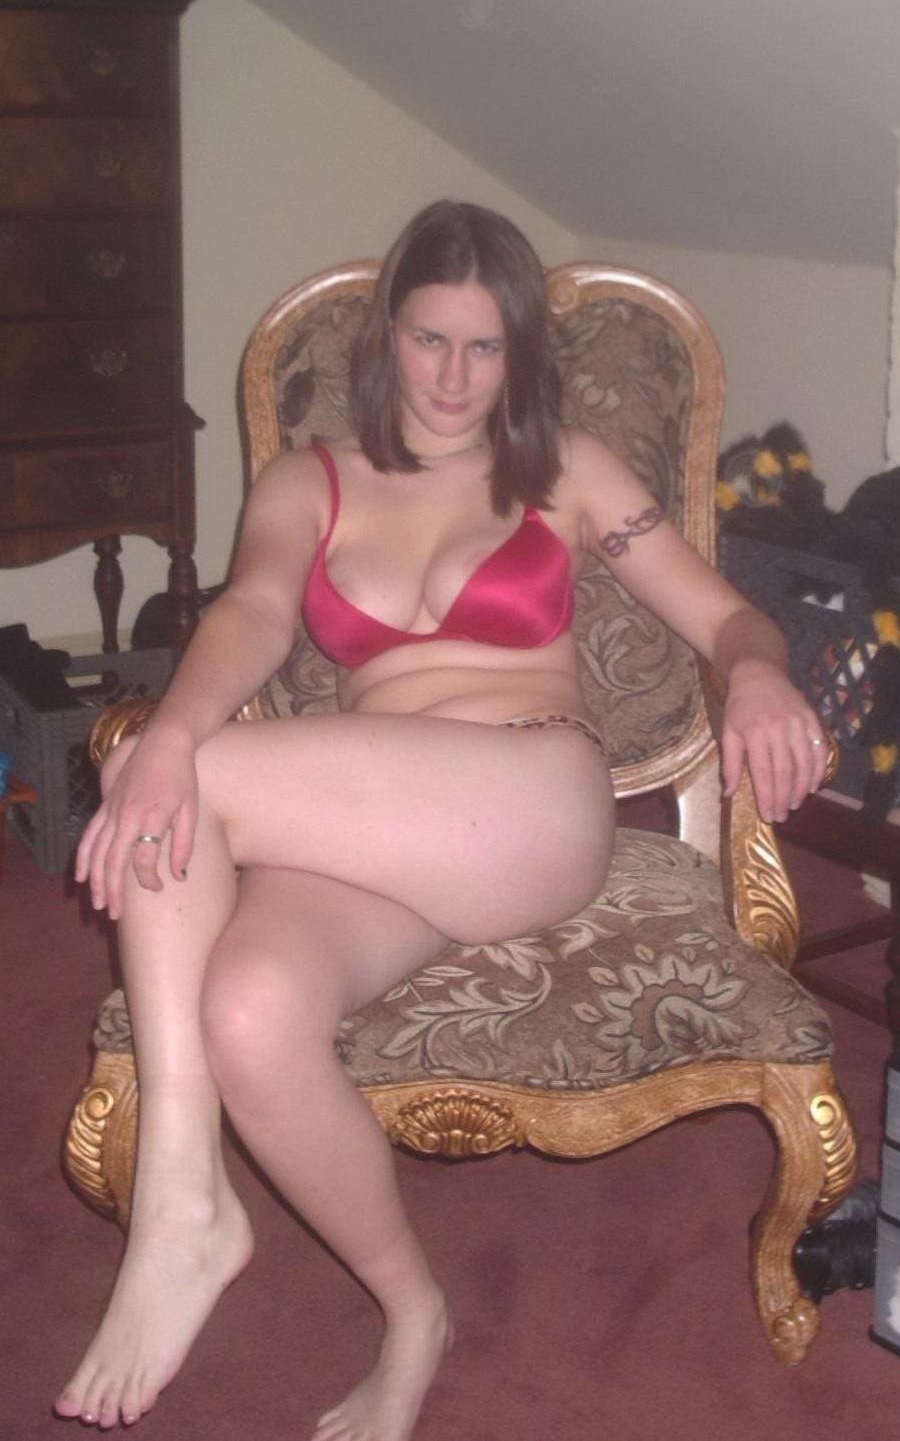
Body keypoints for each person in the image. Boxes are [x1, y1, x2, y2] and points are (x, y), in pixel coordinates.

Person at [55, 200, 828, 1440]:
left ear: (519, 352)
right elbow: (252, 614)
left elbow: (731, 619)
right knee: (249, 1012)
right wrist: (180, 738)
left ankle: (178, 1209)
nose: (456, 378)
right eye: (430, 341)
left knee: (173, 772)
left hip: (529, 796)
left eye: (485, 347)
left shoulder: (565, 469)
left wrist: (761, 676)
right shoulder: (308, 481)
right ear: (388, 336)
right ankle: (414, 1312)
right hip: (379, 834)